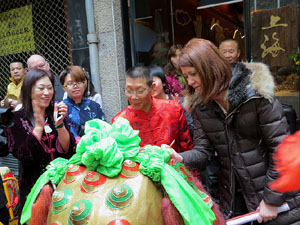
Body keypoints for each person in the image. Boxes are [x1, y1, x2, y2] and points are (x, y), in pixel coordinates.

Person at [171, 38, 300, 224]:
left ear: (210, 68)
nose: (190, 82)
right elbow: (204, 152)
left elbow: (281, 149)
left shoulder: (255, 93)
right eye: (186, 76)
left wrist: (271, 200)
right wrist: (180, 157)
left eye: (193, 74)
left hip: (279, 200)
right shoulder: (202, 105)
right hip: (234, 200)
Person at [5, 69, 76, 214]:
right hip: (34, 190)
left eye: (49, 88)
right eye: (41, 88)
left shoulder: (54, 112)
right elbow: (24, 156)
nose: (46, 92)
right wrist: (38, 126)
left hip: (62, 186)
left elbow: (68, 150)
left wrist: (60, 124)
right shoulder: (16, 119)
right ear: (29, 90)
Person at [112, 66, 193, 153]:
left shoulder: (173, 109)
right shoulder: (120, 121)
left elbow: (186, 147)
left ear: (153, 87)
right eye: (129, 90)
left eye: (140, 91)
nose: (134, 97)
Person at [59, 65, 105, 140]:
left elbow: (103, 128)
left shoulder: (94, 106)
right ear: (64, 87)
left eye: (79, 82)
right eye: (70, 83)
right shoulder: (61, 108)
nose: (75, 86)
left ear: (85, 84)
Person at [149, 64, 194, 137]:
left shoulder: (179, 102)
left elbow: (192, 130)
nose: (151, 86)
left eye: (153, 82)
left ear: (163, 82)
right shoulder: (147, 106)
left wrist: (178, 113)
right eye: (148, 83)